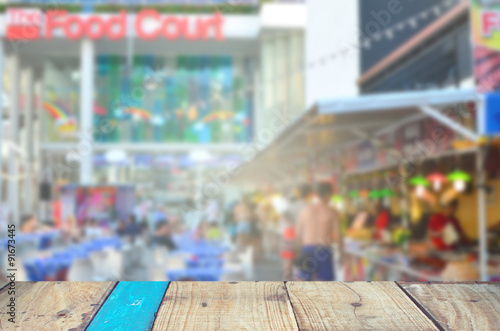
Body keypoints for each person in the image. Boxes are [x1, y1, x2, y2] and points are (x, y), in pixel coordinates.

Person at [295, 183, 343, 281]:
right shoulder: (332, 212)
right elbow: (338, 236)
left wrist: (300, 251)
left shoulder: (305, 210)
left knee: (304, 282)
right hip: (323, 250)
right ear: (327, 195)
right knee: (325, 284)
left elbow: (298, 234)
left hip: (307, 249)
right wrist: (342, 254)